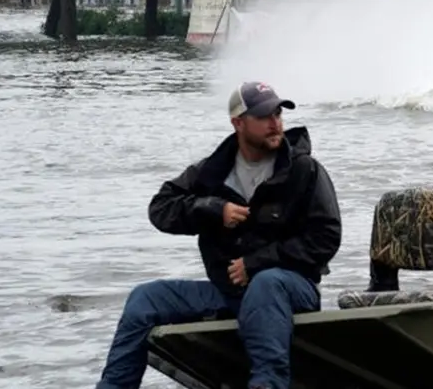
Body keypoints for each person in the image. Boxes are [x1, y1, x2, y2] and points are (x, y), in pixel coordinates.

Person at [95, 82, 342, 389]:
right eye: (264, 116)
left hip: (292, 289)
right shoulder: (211, 172)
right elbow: (160, 208)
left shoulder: (304, 170)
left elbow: (326, 237)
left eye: (278, 113)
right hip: (228, 293)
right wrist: (212, 209)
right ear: (238, 123)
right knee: (144, 299)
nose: (275, 122)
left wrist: (256, 263)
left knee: (265, 283)